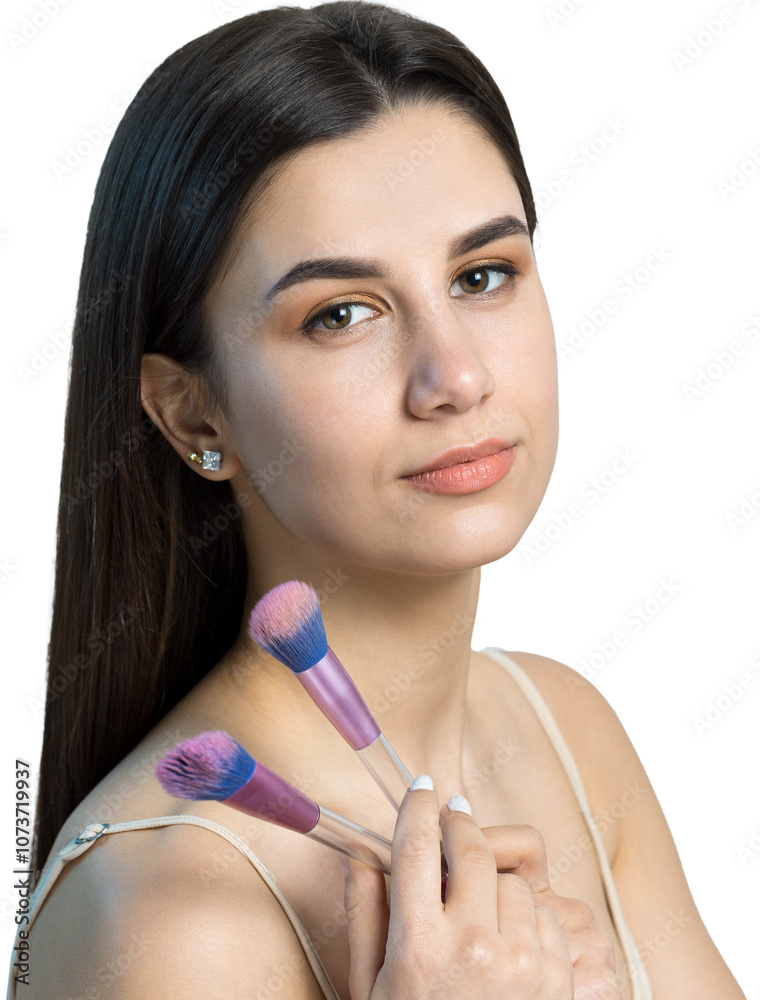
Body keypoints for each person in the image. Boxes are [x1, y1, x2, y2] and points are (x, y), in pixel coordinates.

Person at [7, 3, 745, 998]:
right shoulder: (174, 910)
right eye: (341, 314)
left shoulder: (564, 726)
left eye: (482, 275)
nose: (454, 376)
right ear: (192, 415)